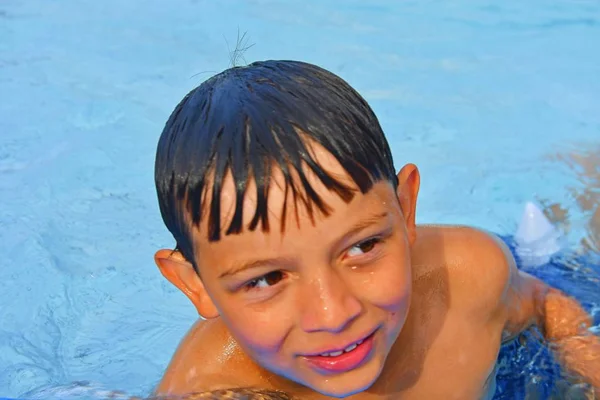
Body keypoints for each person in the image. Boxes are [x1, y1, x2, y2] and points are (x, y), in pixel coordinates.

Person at [152, 60, 600, 399]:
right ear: (195, 284)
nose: (333, 314)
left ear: (405, 211)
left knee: (560, 249)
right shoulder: (208, 386)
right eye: (267, 279)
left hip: (530, 309)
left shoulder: (468, 278)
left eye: (363, 246)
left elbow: (542, 302)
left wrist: (579, 354)